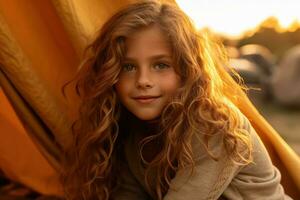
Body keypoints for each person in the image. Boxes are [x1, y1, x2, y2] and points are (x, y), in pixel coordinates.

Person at [62, 1, 292, 199]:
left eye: (161, 65)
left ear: (187, 71)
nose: (143, 80)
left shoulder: (214, 125)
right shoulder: (131, 137)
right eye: (128, 67)